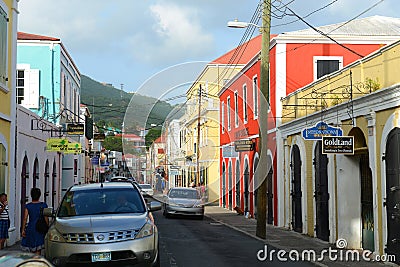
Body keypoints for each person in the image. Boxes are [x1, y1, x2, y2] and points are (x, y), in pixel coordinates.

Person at [21, 188, 48, 255]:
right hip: (40, 228)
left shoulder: (28, 206)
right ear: (39, 195)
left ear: (31, 195)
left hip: (31, 228)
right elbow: (46, 218)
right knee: (38, 248)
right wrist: (47, 227)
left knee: (31, 246)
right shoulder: (43, 205)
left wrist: (23, 229)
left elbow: (25, 218)